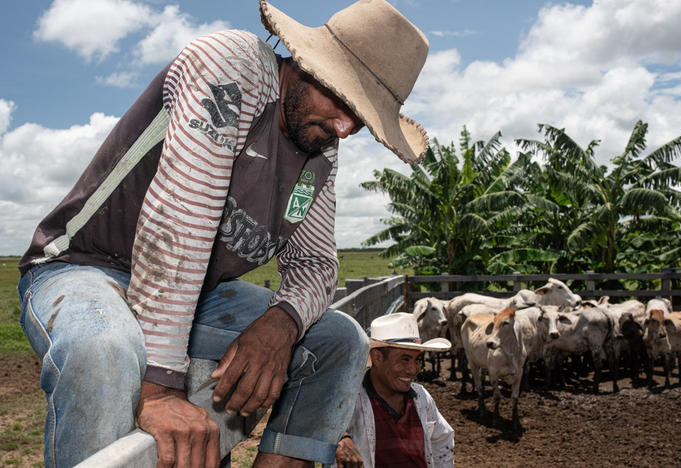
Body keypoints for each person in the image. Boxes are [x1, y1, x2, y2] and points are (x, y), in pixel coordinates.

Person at [16, 0, 430, 466]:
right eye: (344, 101)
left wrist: (282, 322)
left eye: (362, 119)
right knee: (103, 352)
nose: (346, 127)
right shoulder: (232, 69)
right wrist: (159, 388)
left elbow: (315, 263)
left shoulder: (320, 152)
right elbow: (178, 224)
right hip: (86, 266)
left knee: (339, 342)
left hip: (195, 294)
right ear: (306, 65)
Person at [334, 313, 455, 468]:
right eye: (404, 360)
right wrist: (340, 438)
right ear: (377, 358)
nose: (413, 370)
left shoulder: (421, 397)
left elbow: (442, 440)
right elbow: (320, 425)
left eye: (417, 360)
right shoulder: (349, 400)